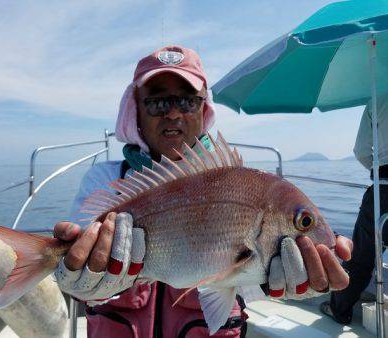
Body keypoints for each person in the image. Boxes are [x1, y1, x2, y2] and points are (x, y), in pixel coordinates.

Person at [52, 45, 352, 337]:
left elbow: (237, 286)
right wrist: (77, 277)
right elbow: (78, 266)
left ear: (203, 108)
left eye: (186, 101)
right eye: (157, 102)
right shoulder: (105, 179)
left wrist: (274, 284)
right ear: (135, 110)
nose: (172, 114)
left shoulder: (237, 181)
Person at [321, 94, 388, 324]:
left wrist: (377, 170)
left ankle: (339, 309)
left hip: (385, 191)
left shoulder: (378, 96)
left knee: (361, 259)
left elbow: (361, 150)